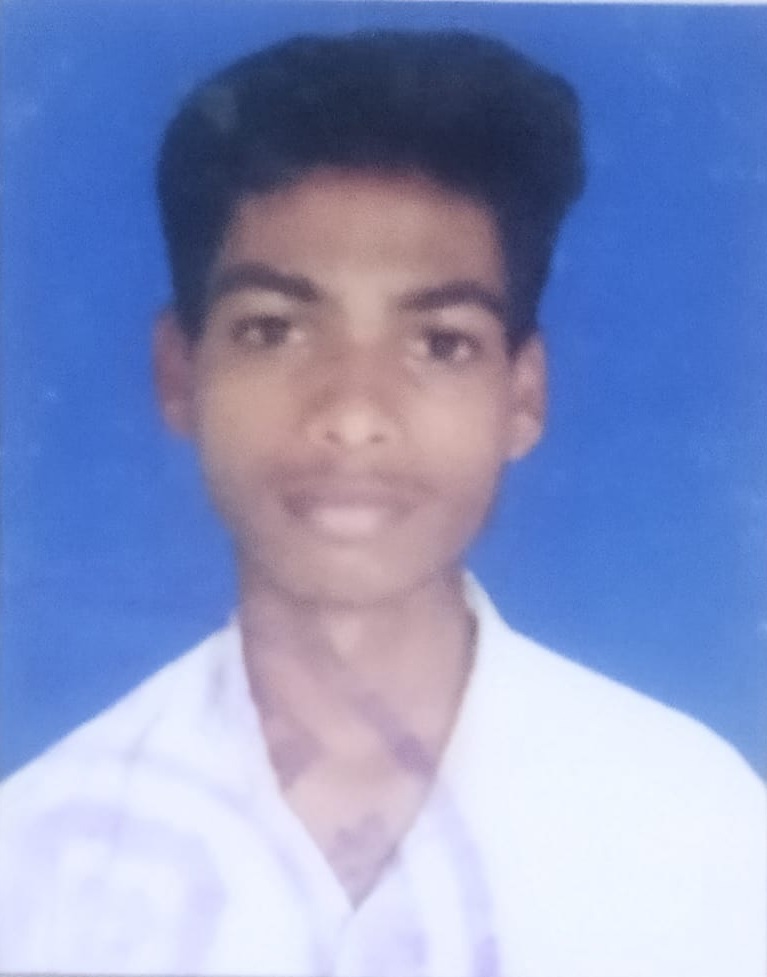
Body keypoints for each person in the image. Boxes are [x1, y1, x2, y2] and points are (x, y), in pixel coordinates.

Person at [0, 29, 763, 977]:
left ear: (521, 396)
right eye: (273, 330)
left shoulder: (698, 830)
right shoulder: (33, 858)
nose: (354, 415)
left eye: (440, 343)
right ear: (179, 373)